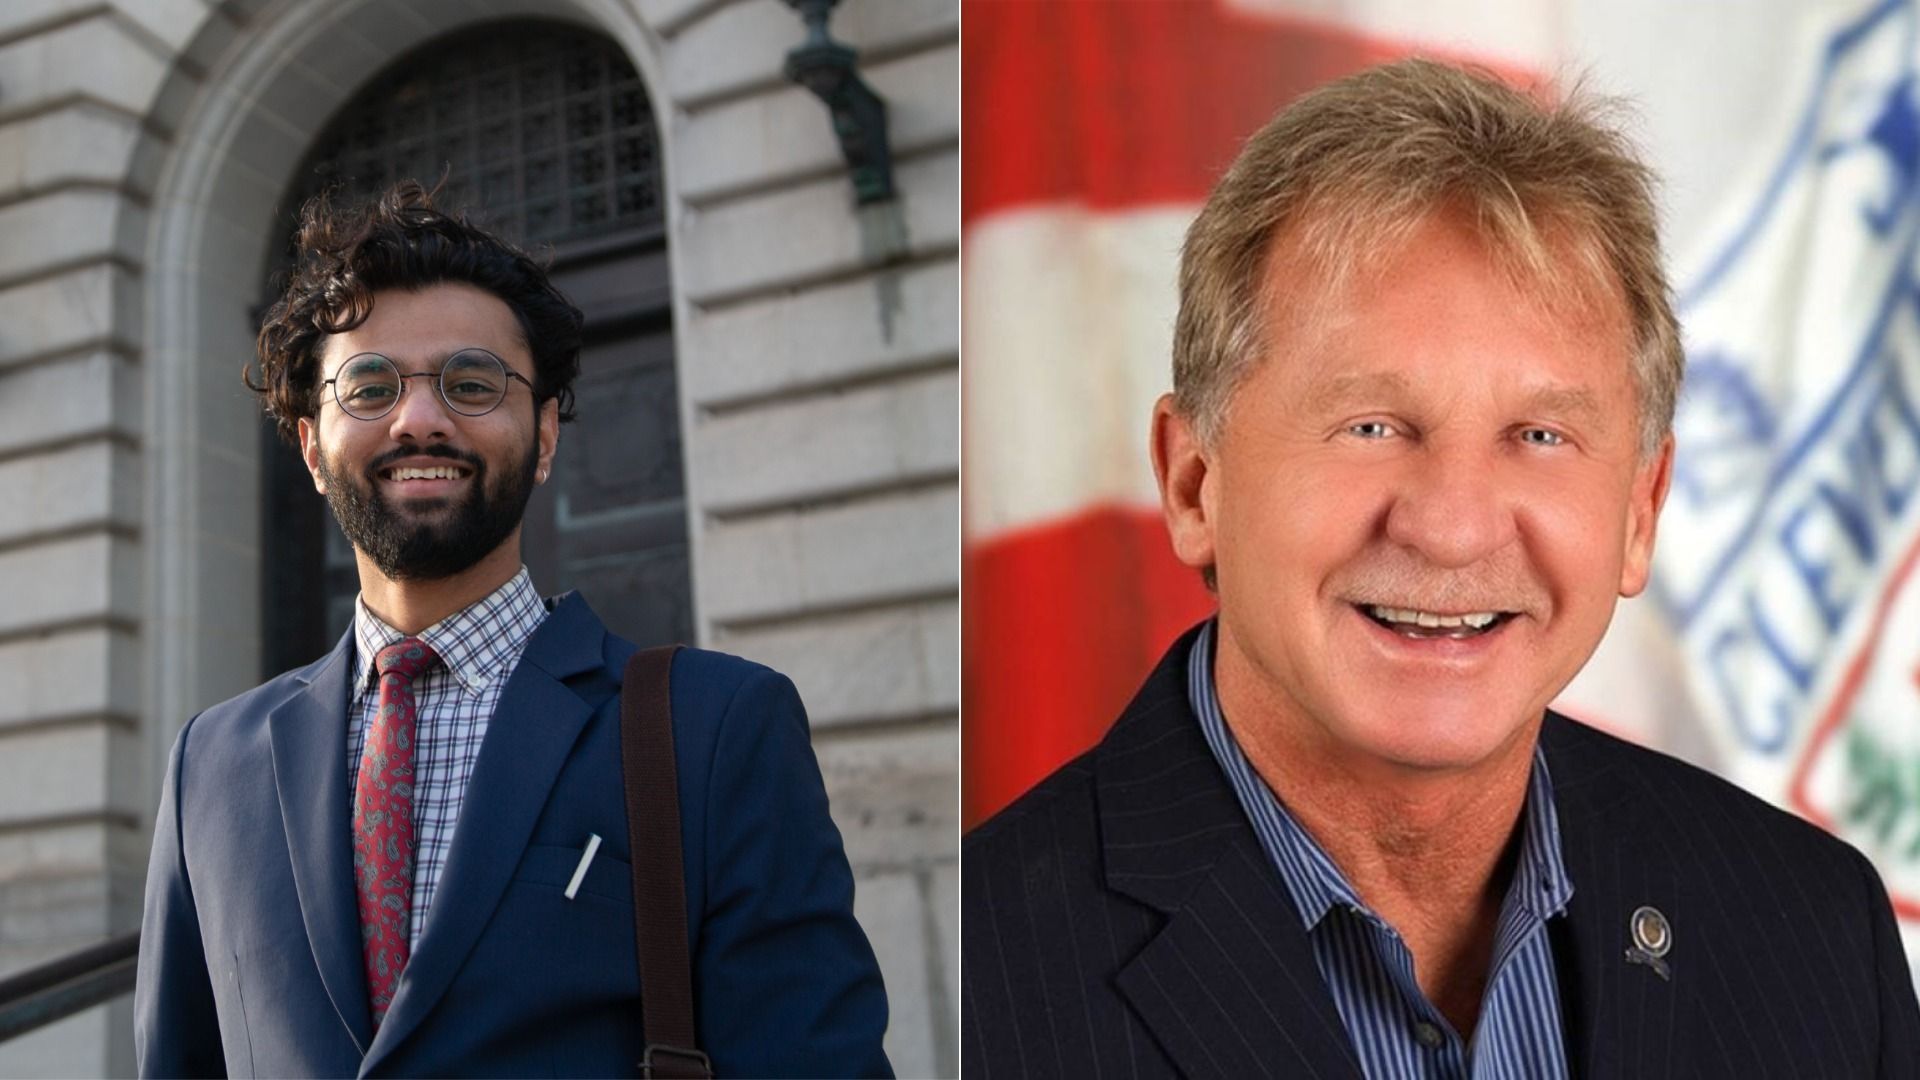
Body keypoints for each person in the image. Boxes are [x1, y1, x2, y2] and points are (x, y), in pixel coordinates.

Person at [962, 59, 1920, 1078]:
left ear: (1641, 510)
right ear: (1196, 482)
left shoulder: (1815, 933)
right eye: (1371, 425)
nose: (1453, 529)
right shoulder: (986, 977)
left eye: (1540, 434)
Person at [134, 182, 892, 1078]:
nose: (420, 418)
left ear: (542, 439)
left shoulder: (718, 728)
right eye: (370, 385)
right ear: (310, 445)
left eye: (471, 382)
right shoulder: (209, 767)